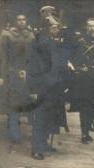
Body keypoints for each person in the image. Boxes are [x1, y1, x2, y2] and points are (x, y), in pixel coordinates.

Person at [27, 22, 72, 160]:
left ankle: (44, 143)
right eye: (54, 27)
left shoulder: (54, 43)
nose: (58, 29)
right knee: (40, 118)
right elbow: (33, 67)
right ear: (47, 28)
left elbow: (58, 63)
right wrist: (33, 89)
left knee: (50, 116)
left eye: (58, 27)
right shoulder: (39, 43)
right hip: (42, 87)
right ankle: (36, 148)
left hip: (54, 86)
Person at [0, 14, 35, 144]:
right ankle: (14, 132)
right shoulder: (7, 35)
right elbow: (1, 57)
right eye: (19, 20)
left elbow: (33, 56)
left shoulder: (30, 35)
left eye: (24, 19)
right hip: (11, 74)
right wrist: (0, 76)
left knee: (23, 103)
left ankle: (16, 128)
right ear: (15, 21)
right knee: (13, 103)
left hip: (27, 74)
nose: (21, 22)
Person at [69, 18, 94, 144]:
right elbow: (73, 57)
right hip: (85, 77)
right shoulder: (80, 41)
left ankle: (90, 125)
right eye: (89, 26)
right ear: (86, 27)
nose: (92, 28)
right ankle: (84, 132)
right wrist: (80, 67)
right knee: (85, 105)